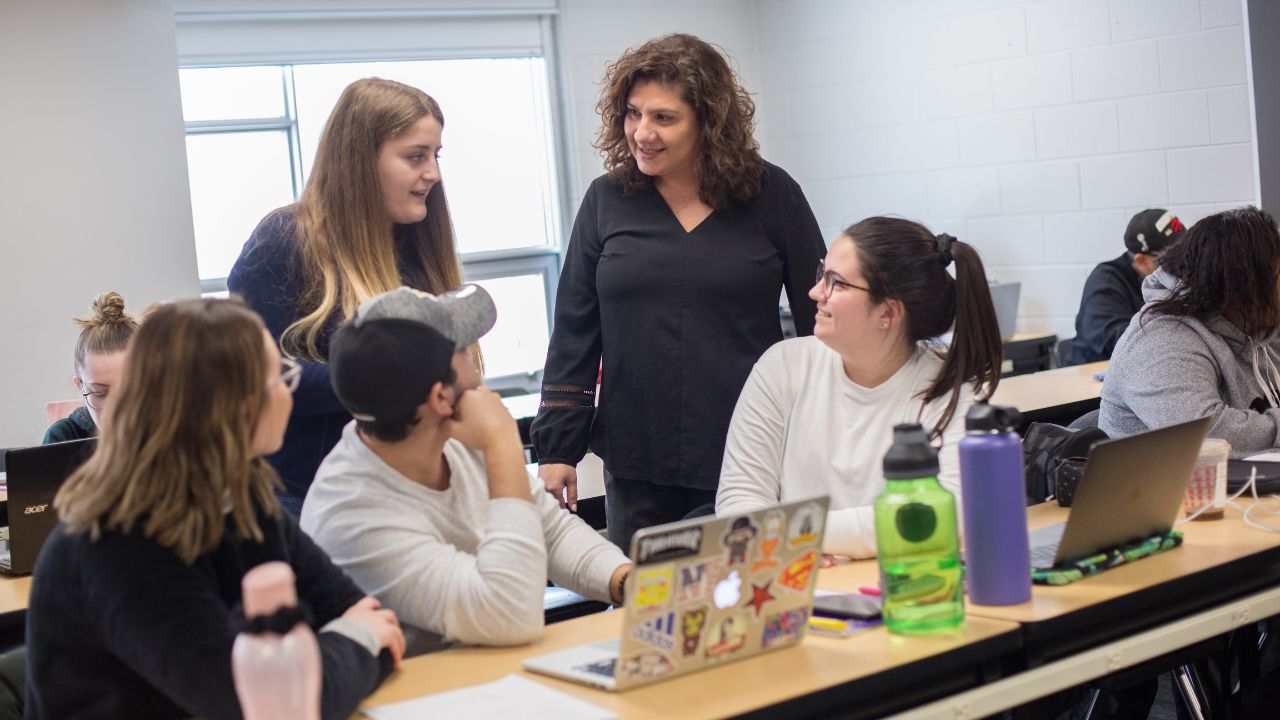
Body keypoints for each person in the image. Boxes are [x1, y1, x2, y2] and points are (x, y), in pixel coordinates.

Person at [25, 298, 405, 720]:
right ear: (236, 406)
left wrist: (353, 640)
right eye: (278, 376)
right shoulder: (119, 541)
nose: (289, 388)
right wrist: (357, 640)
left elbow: (372, 621)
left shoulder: (243, 496)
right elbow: (261, 706)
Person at [531, 33, 827, 552]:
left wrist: (829, 429)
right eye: (632, 114)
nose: (642, 133)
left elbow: (821, 321)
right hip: (639, 457)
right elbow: (575, 328)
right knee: (651, 622)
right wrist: (557, 448)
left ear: (709, 123)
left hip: (751, 451)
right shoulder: (606, 200)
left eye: (664, 118)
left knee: (746, 610)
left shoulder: (773, 194)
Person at [302, 286, 630, 655]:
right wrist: (502, 443)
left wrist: (630, 583)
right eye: (463, 353)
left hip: (489, 673)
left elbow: (550, 532)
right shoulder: (350, 514)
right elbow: (509, 614)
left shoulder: (449, 437)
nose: (476, 372)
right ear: (440, 398)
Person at [229, 77, 465, 516]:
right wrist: (385, 377)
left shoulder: (415, 245)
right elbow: (254, 378)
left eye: (435, 155)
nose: (432, 172)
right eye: (416, 156)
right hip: (303, 498)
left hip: (403, 490)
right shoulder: (284, 241)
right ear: (360, 161)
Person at [715, 217, 1004, 559]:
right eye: (822, 273)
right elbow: (739, 505)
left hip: (902, 588)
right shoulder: (782, 367)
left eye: (836, 283)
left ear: (888, 312)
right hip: (800, 592)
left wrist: (801, 537)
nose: (815, 292)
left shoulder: (950, 392)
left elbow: (947, 516)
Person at [1101, 206, 1280, 455]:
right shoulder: (1161, 341)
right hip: (1160, 491)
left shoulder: (1260, 329)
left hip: (1240, 487)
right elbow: (1209, 434)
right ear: (1245, 284)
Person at [1066, 208, 1185, 365]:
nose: (1183, 261)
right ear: (1141, 261)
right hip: (1093, 378)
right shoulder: (1105, 283)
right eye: (1172, 256)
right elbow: (1121, 343)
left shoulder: (1173, 281)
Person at [42, 291, 138, 444]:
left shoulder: (171, 435)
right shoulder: (63, 437)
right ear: (80, 386)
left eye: (128, 391)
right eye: (101, 394)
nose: (116, 409)